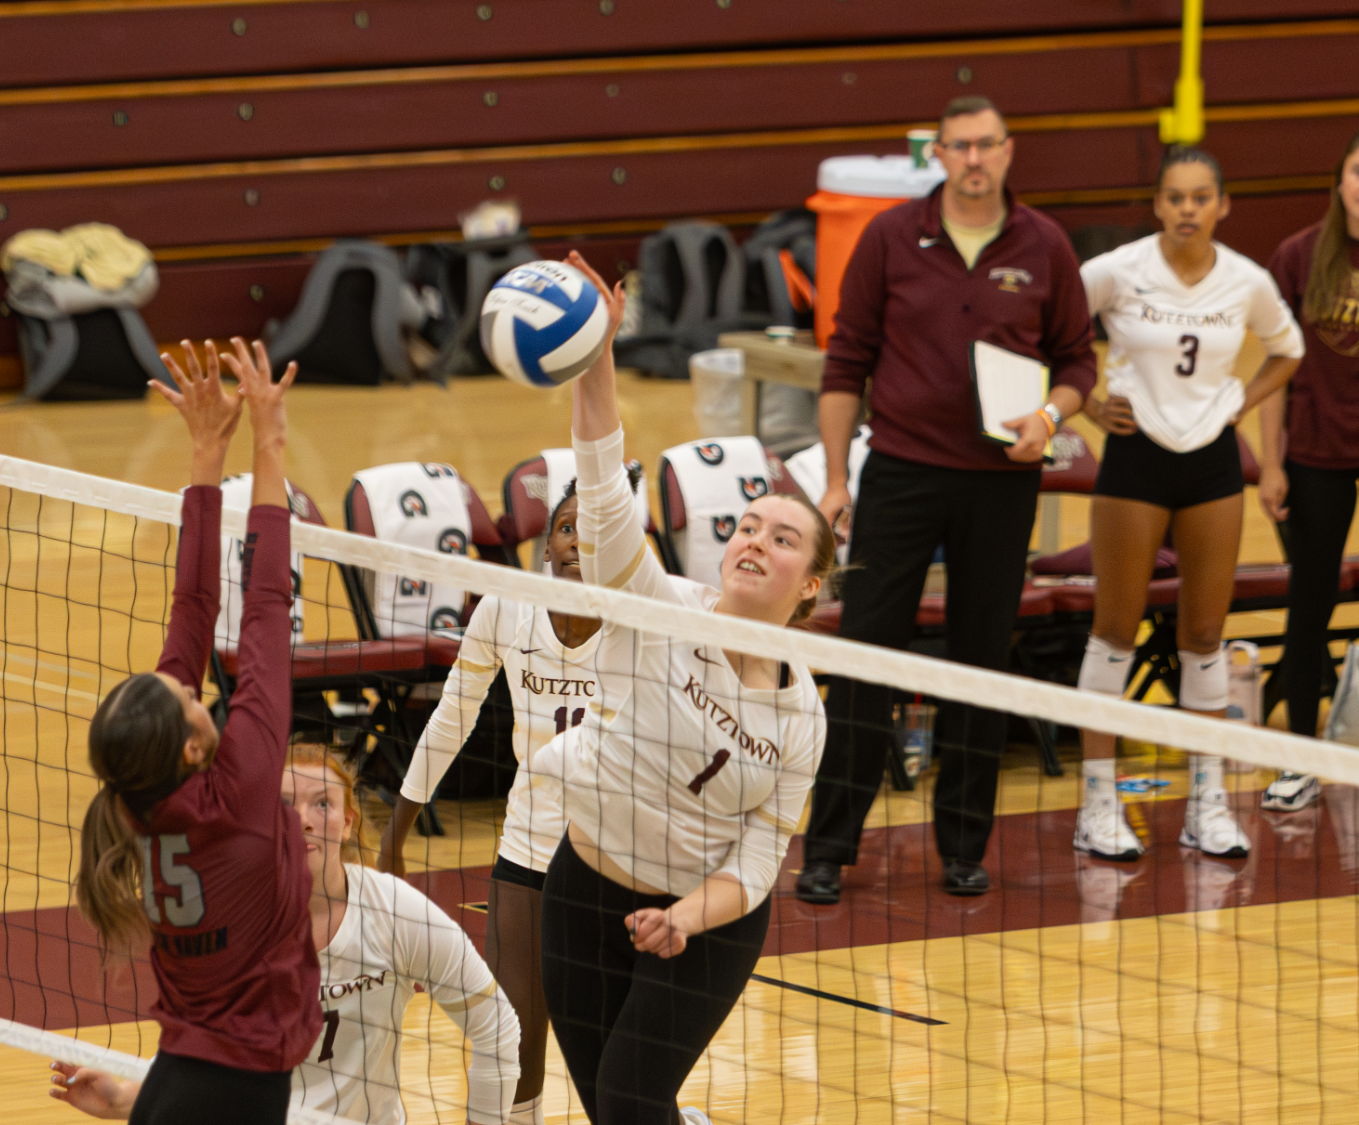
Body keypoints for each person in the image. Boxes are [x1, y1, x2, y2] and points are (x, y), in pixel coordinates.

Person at [532, 252, 833, 1125]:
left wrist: (686, 918)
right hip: (581, 888)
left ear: (809, 583)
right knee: (607, 1106)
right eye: (747, 524)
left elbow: (759, 856)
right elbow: (600, 489)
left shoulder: (802, 715)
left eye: (782, 538)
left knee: (632, 1096)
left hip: (705, 922)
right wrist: (597, 359)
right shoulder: (657, 606)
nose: (754, 539)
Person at [796, 95, 1098, 903]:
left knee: (981, 661)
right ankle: (828, 848)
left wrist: (1047, 417)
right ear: (937, 152)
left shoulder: (1045, 245)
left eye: (987, 145)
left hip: (1002, 484)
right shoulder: (891, 236)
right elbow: (844, 362)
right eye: (959, 146)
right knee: (865, 659)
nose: (973, 159)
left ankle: (964, 845)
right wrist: (833, 480)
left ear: (1008, 150)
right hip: (899, 473)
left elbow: (1077, 363)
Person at [70, 337, 315, 1125]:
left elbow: (192, 609)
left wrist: (206, 453)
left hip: (190, 1079)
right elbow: (267, 605)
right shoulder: (237, 787)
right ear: (191, 742)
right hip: (227, 1093)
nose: (185, 677)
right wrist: (268, 444)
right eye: (185, 692)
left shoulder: (145, 785)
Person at [53, 746, 523, 1124]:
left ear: (347, 822)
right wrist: (126, 1100)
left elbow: (496, 1023)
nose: (304, 819)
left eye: (323, 803)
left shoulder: (397, 913)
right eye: (284, 805)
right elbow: (206, 1068)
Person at [377, 471, 635, 1125]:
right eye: (567, 527)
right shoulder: (505, 606)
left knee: (618, 1057)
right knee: (509, 1038)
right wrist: (393, 836)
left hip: (624, 858)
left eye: (597, 530)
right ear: (546, 547)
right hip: (529, 850)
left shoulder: (645, 620)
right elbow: (451, 719)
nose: (579, 541)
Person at [1070, 148, 1304, 859]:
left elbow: (1287, 350)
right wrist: (1085, 402)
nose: (1187, 210)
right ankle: (1098, 799)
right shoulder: (1114, 270)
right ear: (1157, 204)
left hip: (1211, 460)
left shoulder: (1247, 279)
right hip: (1134, 453)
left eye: (1201, 198)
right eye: (1175, 197)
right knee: (1115, 627)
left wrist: (1240, 400)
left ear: (1223, 205)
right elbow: (1051, 336)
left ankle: (1207, 799)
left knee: (1204, 632)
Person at [1260, 130, 1359, 811]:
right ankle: (1298, 759)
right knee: (1310, 604)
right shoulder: (1297, 256)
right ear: (1340, 180)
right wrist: (1270, 463)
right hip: (1315, 456)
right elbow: (1275, 373)